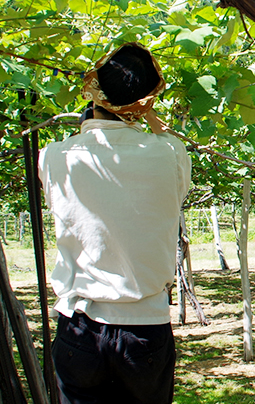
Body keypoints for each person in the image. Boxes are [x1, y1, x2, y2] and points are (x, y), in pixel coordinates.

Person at [39, 43, 191, 404]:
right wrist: (150, 117)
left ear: (94, 91)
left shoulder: (55, 156)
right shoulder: (169, 155)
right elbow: (169, 144)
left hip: (79, 327)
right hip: (145, 330)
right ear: (145, 102)